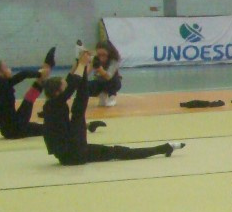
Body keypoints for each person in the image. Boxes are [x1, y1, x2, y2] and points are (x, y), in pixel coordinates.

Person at [42, 50, 183, 165]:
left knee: (115, 151)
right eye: (63, 87)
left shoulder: (52, 103)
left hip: (72, 151)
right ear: (57, 92)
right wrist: (82, 65)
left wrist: (79, 64)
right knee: (79, 106)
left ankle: (164, 148)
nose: (66, 86)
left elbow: (70, 82)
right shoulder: (53, 106)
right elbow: (72, 85)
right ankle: (162, 148)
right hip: (73, 154)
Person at [0, 47, 55, 139]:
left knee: (45, 127)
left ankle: (47, 67)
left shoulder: (0, 85)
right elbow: (23, 74)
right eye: (6, 68)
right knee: (29, 99)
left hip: (14, 125)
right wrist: (39, 74)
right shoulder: (0, 85)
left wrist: (40, 74)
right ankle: (47, 67)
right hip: (14, 128)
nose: (9, 69)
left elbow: (22, 75)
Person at [89, 40, 123, 107]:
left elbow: (108, 76)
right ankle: (102, 94)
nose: (101, 58)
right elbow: (86, 72)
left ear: (109, 53)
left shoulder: (114, 60)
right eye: (99, 55)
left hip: (112, 81)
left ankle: (112, 97)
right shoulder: (94, 59)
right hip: (99, 81)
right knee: (86, 85)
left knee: (113, 80)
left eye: (104, 55)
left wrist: (99, 68)